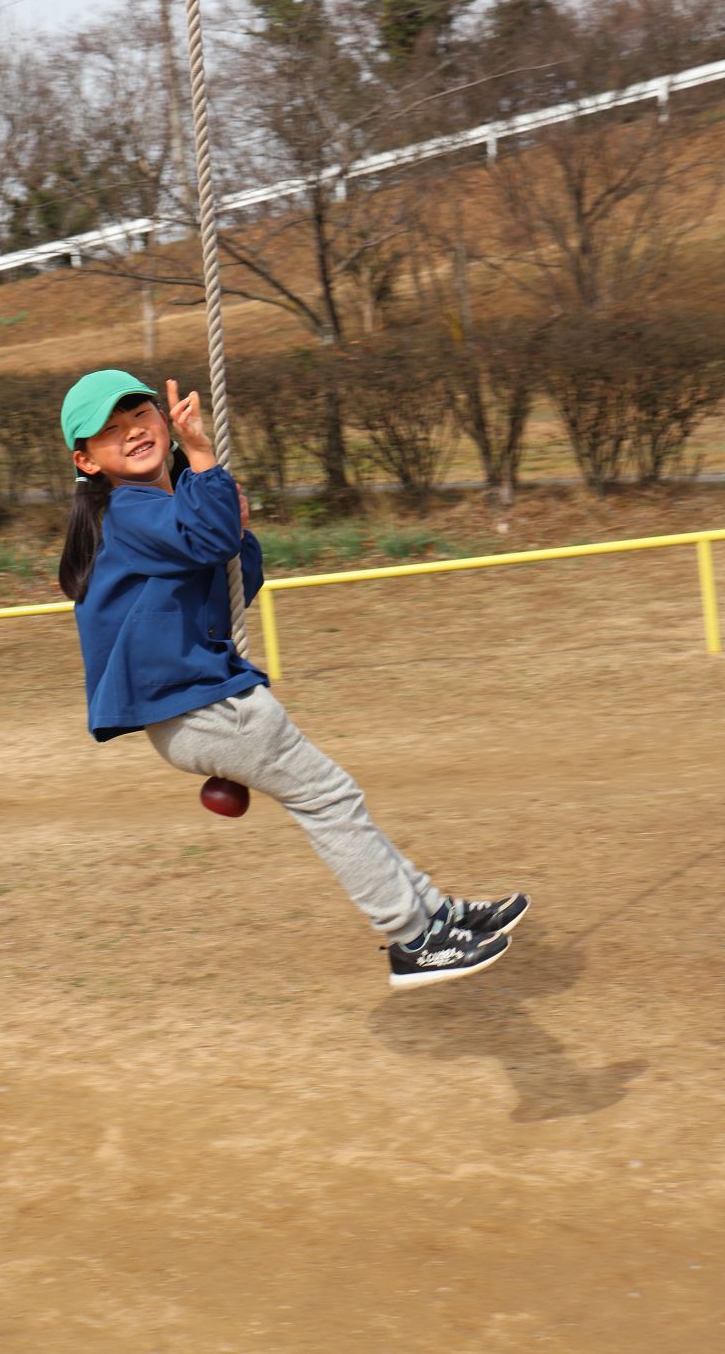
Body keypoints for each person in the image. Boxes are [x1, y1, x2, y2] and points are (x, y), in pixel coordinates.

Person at [59, 367, 529, 990]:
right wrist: (203, 457)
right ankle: (412, 938)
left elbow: (230, 587)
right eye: (110, 431)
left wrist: (231, 523)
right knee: (331, 802)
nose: (133, 432)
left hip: (197, 707)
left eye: (139, 416)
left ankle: (433, 914)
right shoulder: (131, 512)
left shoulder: (159, 510)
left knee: (335, 797)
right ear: (87, 460)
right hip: (204, 707)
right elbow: (205, 536)